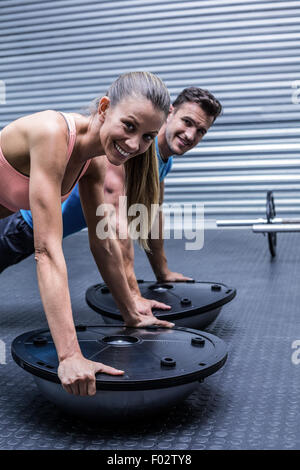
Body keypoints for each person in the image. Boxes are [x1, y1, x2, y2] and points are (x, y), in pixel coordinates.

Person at [0, 71, 174, 397]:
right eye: (129, 126)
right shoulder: (52, 133)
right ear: (105, 108)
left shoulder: (92, 163)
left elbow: (103, 242)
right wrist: (69, 356)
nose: (135, 145)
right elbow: (47, 251)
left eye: (149, 136)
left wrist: (131, 313)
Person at [1, 87, 222, 308]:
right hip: (22, 223)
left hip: (45, 230)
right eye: (187, 122)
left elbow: (151, 215)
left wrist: (163, 272)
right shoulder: (131, 151)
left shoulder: (164, 160)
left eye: (201, 131)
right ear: (170, 113)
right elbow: (115, 227)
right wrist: (133, 297)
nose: (191, 135)